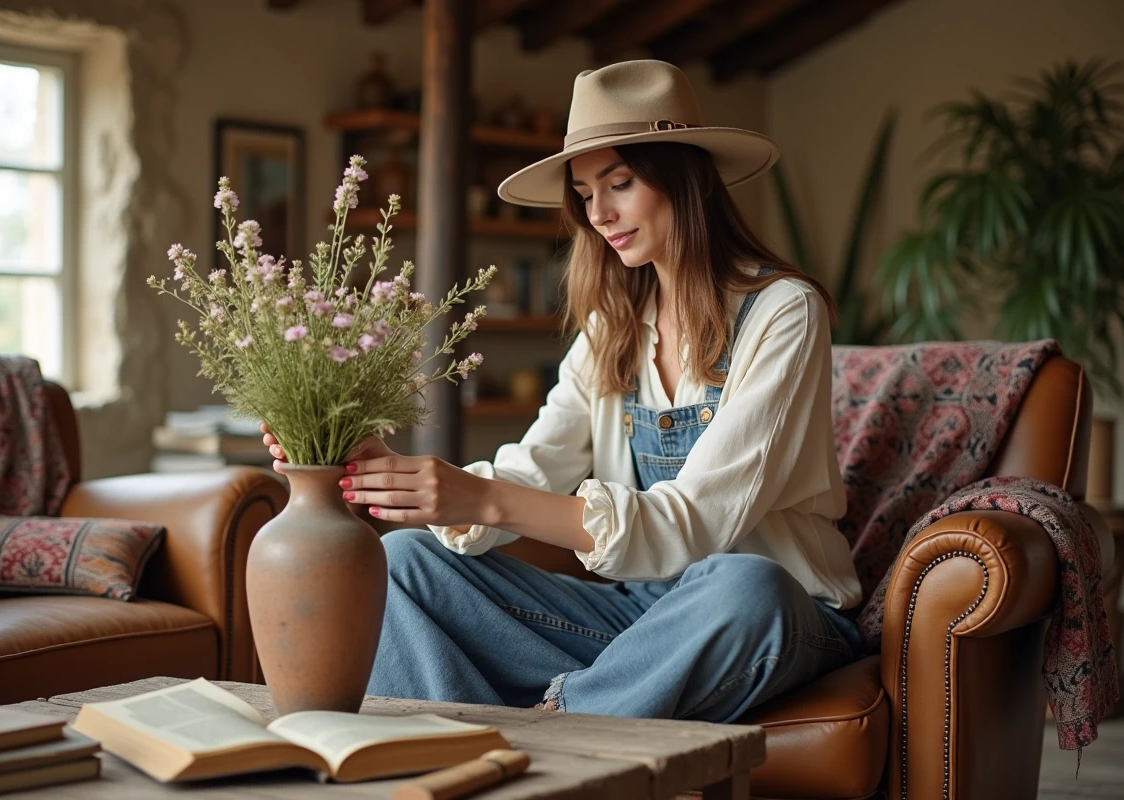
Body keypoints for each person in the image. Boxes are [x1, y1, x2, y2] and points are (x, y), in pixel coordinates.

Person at [262, 60, 863, 722]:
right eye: (583, 193)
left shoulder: (783, 310)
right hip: (639, 617)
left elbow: (696, 523)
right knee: (405, 561)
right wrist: (402, 479)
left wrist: (482, 498)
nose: (598, 214)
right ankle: (462, 753)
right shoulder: (613, 327)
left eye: (620, 184)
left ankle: (551, 733)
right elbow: (533, 469)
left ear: (686, 178)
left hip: (771, 616)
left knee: (747, 585)